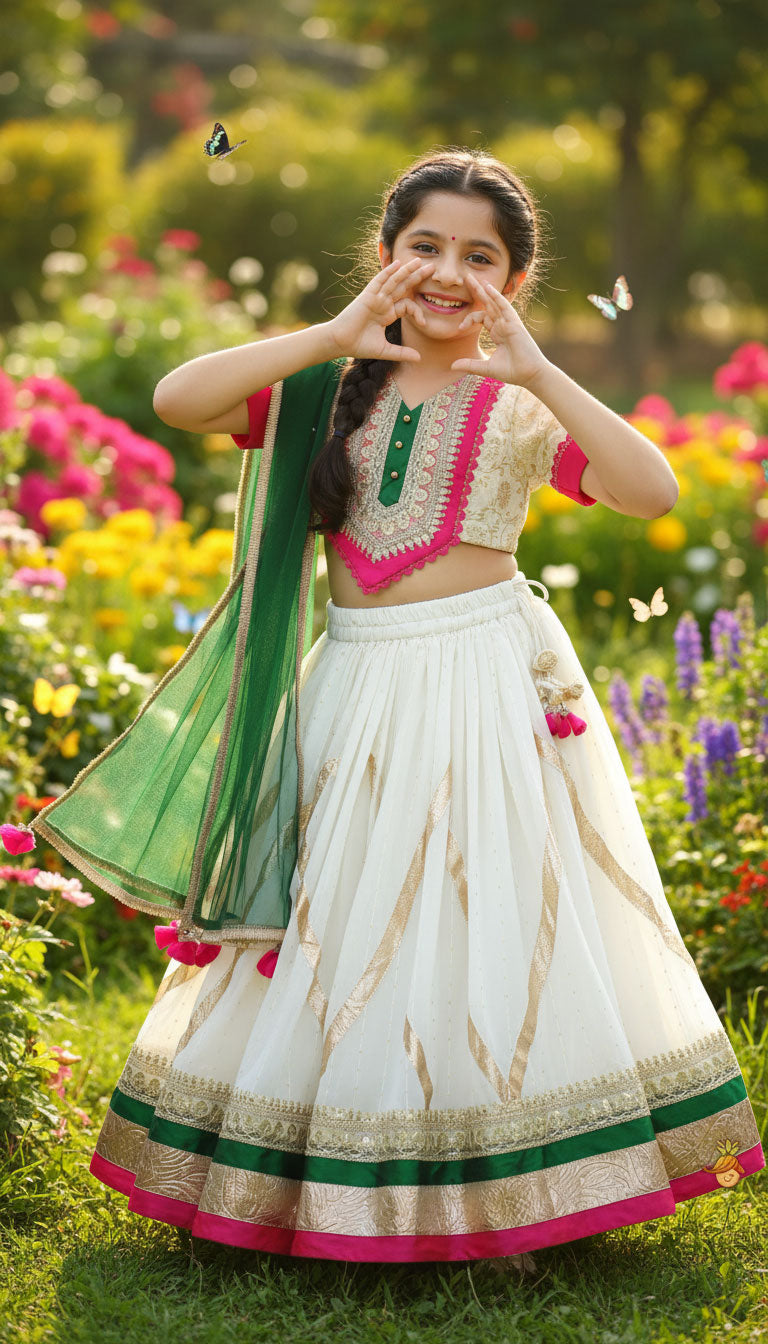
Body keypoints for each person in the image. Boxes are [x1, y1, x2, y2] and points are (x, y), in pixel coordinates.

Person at [32, 149, 764, 1265]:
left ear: (514, 282)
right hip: (358, 683)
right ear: (385, 256)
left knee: (483, 917)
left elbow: (648, 489)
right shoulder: (329, 385)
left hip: (482, 684)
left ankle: (498, 1187)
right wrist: (334, 336)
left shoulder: (517, 404)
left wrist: (539, 370)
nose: (448, 272)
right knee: (342, 909)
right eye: (424, 246)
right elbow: (181, 398)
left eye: (482, 257)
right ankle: (312, 1176)